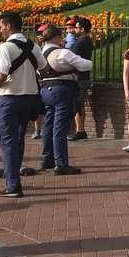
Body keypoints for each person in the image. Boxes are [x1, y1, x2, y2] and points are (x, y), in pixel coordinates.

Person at [0, 12, 45, 198]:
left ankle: (13, 185)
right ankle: (13, 173)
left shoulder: (5, 48)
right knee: (18, 138)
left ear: (8, 26)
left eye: (1, 26)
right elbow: (42, 67)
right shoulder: (33, 46)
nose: (0, 29)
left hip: (10, 99)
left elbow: (1, 75)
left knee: (7, 140)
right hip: (29, 98)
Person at [36, 24, 91, 175]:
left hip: (45, 90)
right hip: (62, 90)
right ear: (57, 37)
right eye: (61, 36)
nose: (63, 39)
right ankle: (61, 163)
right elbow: (86, 65)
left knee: (48, 124)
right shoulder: (62, 52)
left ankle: (47, 159)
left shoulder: (40, 53)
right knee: (60, 128)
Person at [67, 16, 93, 141]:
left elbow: (72, 58)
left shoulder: (80, 42)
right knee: (79, 104)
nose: (74, 30)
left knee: (77, 104)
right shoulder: (87, 40)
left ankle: (80, 130)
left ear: (82, 29)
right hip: (84, 76)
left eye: (76, 27)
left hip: (79, 77)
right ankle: (79, 129)